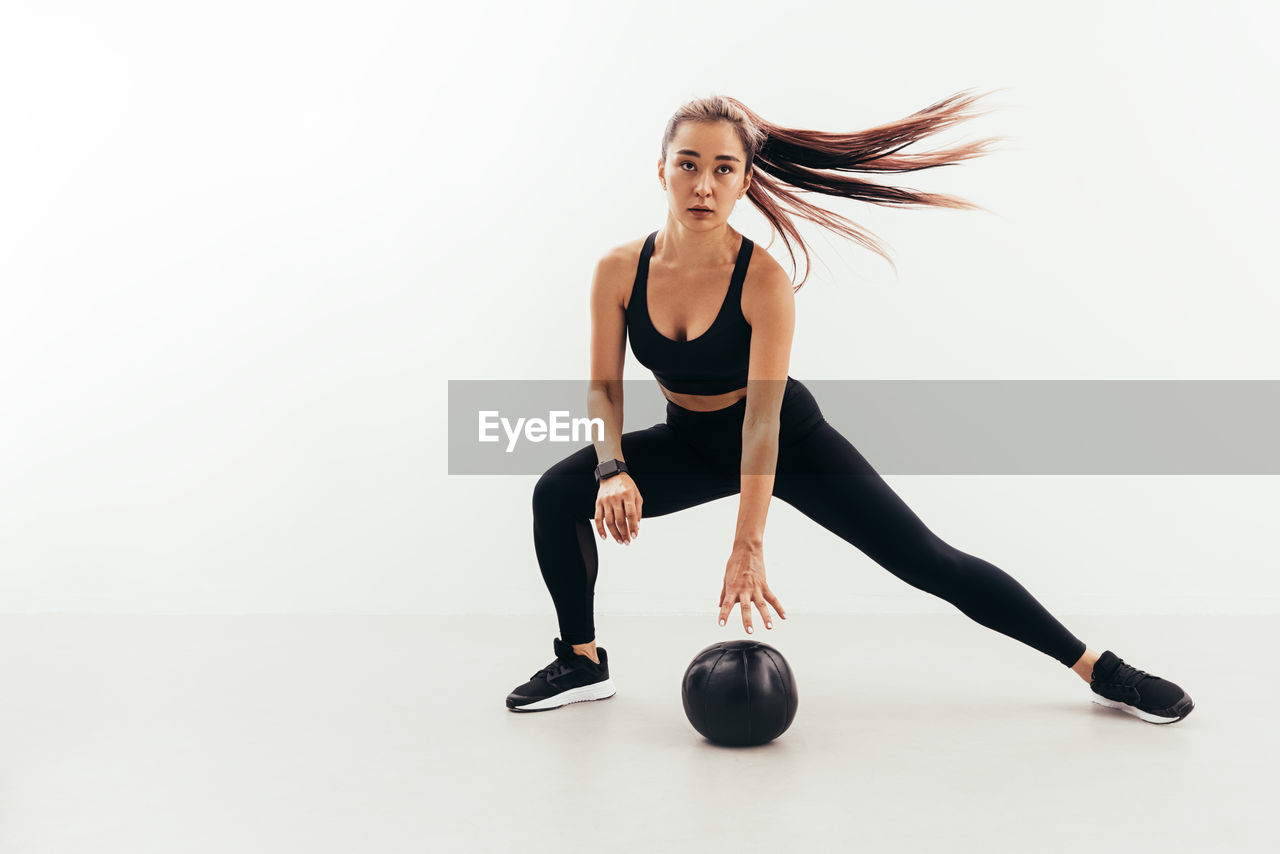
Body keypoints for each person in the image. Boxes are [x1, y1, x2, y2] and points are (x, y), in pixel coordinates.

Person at [506, 91, 1194, 724]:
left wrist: (749, 544)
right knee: (556, 493)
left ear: (746, 180)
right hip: (689, 440)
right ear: (661, 171)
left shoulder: (763, 281)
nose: (704, 184)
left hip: (788, 442)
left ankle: (1101, 670)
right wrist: (611, 467)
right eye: (688, 164)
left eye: (723, 168)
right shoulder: (619, 269)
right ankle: (582, 661)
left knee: (931, 562)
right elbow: (604, 385)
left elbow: (762, 422)